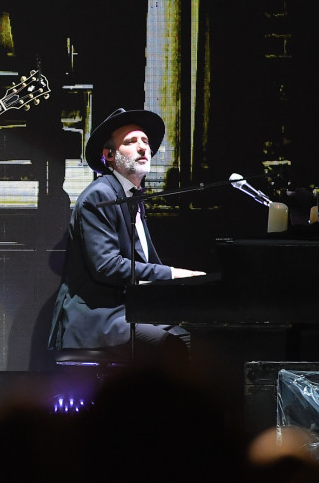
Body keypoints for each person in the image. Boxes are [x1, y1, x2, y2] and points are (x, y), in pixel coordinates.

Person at [48, 107, 204, 357]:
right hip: (99, 316)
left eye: (145, 142)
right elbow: (107, 266)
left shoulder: (131, 198)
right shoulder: (101, 194)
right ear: (109, 154)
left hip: (129, 311)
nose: (143, 148)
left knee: (200, 339)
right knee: (178, 345)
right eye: (131, 142)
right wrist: (173, 274)